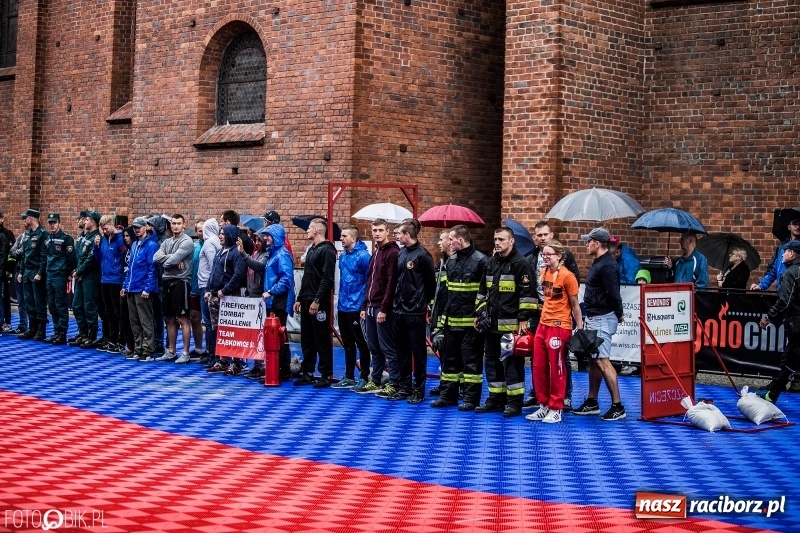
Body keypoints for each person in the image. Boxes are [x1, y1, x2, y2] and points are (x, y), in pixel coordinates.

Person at [475, 227, 536, 417]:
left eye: (501, 239)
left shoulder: (521, 264)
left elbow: (528, 295)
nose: (497, 243)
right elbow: (482, 292)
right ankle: (495, 399)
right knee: (491, 363)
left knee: (512, 366)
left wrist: (524, 318)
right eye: (495, 239)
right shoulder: (491, 262)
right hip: (491, 325)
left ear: (511, 241)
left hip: (511, 326)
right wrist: (480, 314)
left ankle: (514, 402)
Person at [523, 221, 579, 411]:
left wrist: (578, 326)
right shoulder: (532, 260)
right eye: (538, 235)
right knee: (537, 359)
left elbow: (573, 295)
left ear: (551, 235)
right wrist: (532, 308)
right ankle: (540, 398)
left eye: (545, 234)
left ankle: (565, 397)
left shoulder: (566, 264)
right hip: (538, 315)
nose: (542, 238)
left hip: (560, 320)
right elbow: (529, 288)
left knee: (560, 360)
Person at [430, 225, 488, 410]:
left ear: (460, 240)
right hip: (451, 323)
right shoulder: (451, 262)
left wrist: (481, 317)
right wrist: (440, 325)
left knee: (471, 365)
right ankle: (448, 396)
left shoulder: (481, 261)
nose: (448, 242)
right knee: (449, 363)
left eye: (451, 239)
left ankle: (471, 399)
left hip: (472, 325)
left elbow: (486, 294)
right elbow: (446, 296)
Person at [573, 228, 626, 421]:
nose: (586, 244)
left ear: (597, 243)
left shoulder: (607, 265)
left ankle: (618, 406)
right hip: (596, 317)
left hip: (603, 318)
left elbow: (614, 292)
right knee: (594, 360)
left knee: (603, 360)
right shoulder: (600, 262)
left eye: (589, 241)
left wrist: (619, 313)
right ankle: (592, 401)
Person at [387, 220, 436, 404]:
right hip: (399, 309)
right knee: (401, 350)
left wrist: (423, 303)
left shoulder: (423, 255)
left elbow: (431, 284)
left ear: (407, 235)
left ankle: (419, 389)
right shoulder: (401, 254)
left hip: (415, 310)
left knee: (418, 351)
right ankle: (405, 386)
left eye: (399, 233)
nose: (397, 236)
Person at [354, 219, 400, 395]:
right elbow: (370, 282)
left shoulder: (392, 253)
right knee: (374, 347)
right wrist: (365, 306)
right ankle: (376, 380)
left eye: (380, 230)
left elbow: (391, 283)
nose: (377, 233)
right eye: (374, 230)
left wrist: (384, 309)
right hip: (372, 306)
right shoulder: (376, 253)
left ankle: (393, 383)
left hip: (382, 308)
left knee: (388, 347)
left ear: (387, 231)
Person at [293, 218, 337, 387]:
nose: (307, 231)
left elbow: (327, 278)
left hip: (319, 302)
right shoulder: (311, 250)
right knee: (307, 338)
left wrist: (317, 300)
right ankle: (308, 371)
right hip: (306, 299)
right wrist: (300, 298)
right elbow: (307, 278)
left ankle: (326, 374)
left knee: (322, 338)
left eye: (310, 228)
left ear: (317, 231)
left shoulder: (326, 251)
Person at [757, 240, 800, 404]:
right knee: (788, 363)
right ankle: (772, 395)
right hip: (796, 324)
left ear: (792, 254)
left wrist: (768, 316)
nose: (782, 254)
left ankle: (772, 395)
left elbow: (785, 301)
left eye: (785, 251)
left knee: (789, 362)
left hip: (796, 325)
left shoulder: (790, 273)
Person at [332, 225, 371, 389]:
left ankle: (364, 376)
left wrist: (364, 304)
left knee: (361, 342)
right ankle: (348, 376)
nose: (341, 239)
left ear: (353, 238)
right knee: (347, 342)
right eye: (341, 236)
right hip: (343, 305)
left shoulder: (364, 256)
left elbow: (370, 281)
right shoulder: (343, 257)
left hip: (357, 306)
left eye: (345, 236)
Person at [205, 224, 247, 373]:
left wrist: (225, 289)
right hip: (216, 296)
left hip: (230, 297)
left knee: (232, 330)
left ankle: (236, 363)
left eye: (223, 233)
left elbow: (238, 274)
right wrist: (209, 290)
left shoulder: (236, 253)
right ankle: (222, 360)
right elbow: (213, 272)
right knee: (220, 330)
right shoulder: (220, 251)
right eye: (219, 233)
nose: (220, 236)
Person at [153, 214, 195, 363]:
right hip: (167, 281)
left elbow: (171, 260)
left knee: (183, 319)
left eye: (178, 223)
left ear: (184, 225)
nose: (176, 226)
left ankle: (185, 353)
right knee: (169, 318)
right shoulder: (166, 242)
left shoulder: (187, 242)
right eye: (173, 223)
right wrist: (172, 260)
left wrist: (171, 259)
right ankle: (171, 351)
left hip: (181, 282)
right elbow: (156, 258)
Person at [260, 223, 296, 382]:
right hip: (274, 300)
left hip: (279, 300)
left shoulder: (281, 255)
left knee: (279, 336)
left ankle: (282, 370)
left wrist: (270, 292)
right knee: (278, 336)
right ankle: (278, 370)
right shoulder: (275, 253)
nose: (265, 238)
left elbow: (286, 279)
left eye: (268, 235)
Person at [121, 217, 160, 361]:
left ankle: (148, 349)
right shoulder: (135, 245)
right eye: (135, 227)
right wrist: (125, 285)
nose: (136, 230)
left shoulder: (151, 245)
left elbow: (152, 269)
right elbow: (130, 268)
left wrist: (148, 288)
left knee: (145, 320)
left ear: (146, 227)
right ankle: (138, 347)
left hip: (142, 289)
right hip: (131, 287)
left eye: (139, 227)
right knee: (134, 321)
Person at [42, 213, 77, 345]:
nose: (52, 225)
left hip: (59, 275)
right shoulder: (47, 239)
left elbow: (71, 259)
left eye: (54, 223)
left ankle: (62, 332)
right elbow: (45, 257)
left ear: (59, 223)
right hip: (49, 274)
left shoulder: (66, 239)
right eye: (50, 223)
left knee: (60, 304)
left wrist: (66, 273)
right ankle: (56, 330)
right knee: (51, 304)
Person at [93, 215, 126, 352]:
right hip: (104, 279)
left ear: (112, 225)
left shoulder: (120, 240)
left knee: (117, 312)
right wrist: (96, 247)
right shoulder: (104, 240)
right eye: (102, 229)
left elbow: (125, 259)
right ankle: (110, 338)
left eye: (106, 228)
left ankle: (119, 340)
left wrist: (123, 282)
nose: (104, 231)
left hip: (116, 280)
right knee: (107, 312)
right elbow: (98, 258)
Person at [238, 228, 268, 377]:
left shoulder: (266, 255)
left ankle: (262, 365)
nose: (256, 243)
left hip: (259, 296)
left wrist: (243, 253)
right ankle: (256, 364)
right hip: (251, 294)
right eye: (255, 240)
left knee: (260, 333)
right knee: (254, 334)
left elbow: (258, 266)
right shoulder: (255, 253)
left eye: (259, 241)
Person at [428, 229, 453, 397]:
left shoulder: (454, 264)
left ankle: (454, 388)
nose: (438, 242)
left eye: (441, 239)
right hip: (438, 313)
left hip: (450, 316)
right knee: (443, 352)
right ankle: (445, 384)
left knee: (451, 355)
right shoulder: (443, 262)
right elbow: (437, 291)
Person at [71, 210, 102, 348]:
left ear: (94, 222)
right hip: (80, 275)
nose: (84, 221)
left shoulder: (96, 238)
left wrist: (80, 271)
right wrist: (76, 270)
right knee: (77, 305)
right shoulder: (83, 236)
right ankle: (82, 332)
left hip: (90, 276)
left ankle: (91, 335)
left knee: (89, 306)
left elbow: (92, 259)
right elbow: (78, 256)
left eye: (88, 220)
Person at [17, 209, 48, 341]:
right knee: (28, 300)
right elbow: (25, 255)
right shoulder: (27, 235)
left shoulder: (42, 234)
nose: (24, 220)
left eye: (26, 218)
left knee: (38, 301)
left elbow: (43, 256)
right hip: (27, 271)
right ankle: (32, 327)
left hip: (36, 271)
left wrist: (40, 273)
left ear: (32, 218)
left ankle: (41, 330)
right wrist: (21, 272)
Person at [751, 217, 800, 293]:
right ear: (789, 227)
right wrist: (761, 285)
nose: (798, 227)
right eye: (795, 224)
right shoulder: (782, 247)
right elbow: (773, 270)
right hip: (781, 293)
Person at [197, 219, 221, 366]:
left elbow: (213, 265)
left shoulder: (209, 243)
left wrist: (209, 288)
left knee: (209, 322)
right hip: (208, 285)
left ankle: (212, 354)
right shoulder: (216, 241)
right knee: (211, 322)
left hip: (207, 286)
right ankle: (210, 353)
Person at [187, 220, 206, 360]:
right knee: (194, 318)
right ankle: (199, 348)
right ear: (196, 232)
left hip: (206, 288)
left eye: (204, 230)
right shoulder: (194, 247)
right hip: (194, 287)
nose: (202, 233)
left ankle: (211, 350)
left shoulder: (213, 245)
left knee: (210, 322)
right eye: (199, 230)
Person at [118, 226, 137, 356]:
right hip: (124, 286)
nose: (126, 238)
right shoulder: (125, 252)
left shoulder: (137, 249)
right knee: (124, 317)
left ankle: (137, 345)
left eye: (128, 236)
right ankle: (129, 345)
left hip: (135, 287)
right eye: (124, 236)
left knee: (135, 319)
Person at [0, 211, 12, 333]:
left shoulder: (6, 234)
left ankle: (5, 322)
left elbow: (7, 255)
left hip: (3, 272)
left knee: (3, 298)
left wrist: (8, 269)